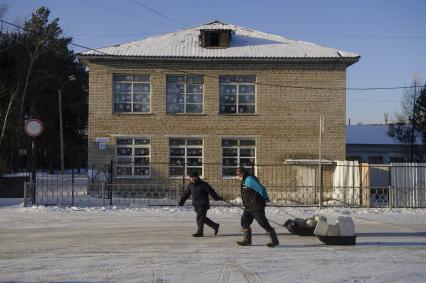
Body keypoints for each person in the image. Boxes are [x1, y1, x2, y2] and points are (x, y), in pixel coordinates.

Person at [236, 166, 279, 247]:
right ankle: (247, 240)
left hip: (256, 205)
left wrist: (265, 198)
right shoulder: (244, 180)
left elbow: (261, 189)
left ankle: (275, 241)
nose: (239, 175)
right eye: (237, 173)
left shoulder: (249, 180)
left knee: (263, 222)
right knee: (244, 221)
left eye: (240, 173)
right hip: (249, 206)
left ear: (244, 172)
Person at [179, 171, 222, 237]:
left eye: (194, 177)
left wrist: (216, 198)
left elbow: (211, 192)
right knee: (202, 218)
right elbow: (186, 194)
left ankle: (200, 232)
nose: (193, 178)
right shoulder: (190, 185)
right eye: (191, 177)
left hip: (203, 204)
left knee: (199, 218)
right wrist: (181, 201)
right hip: (196, 205)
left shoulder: (203, 184)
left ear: (197, 177)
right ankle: (215, 225)